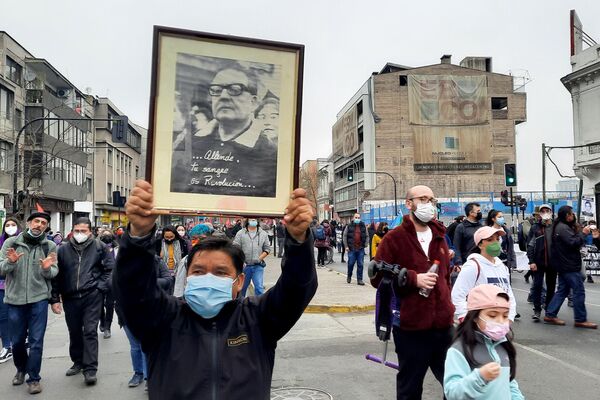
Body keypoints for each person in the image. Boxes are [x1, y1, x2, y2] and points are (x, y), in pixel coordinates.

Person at [113, 180, 317, 399]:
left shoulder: (257, 318)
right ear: (187, 276)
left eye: (220, 273)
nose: (208, 278)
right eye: (199, 272)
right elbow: (131, 287)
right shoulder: (164, 319)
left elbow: (297, 287)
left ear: (239, 282)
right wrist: (138, 236)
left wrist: (298, 240)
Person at [371, 185, 454, 400]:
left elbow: (445, 279)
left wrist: (450, 307)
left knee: (455, 385)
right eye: (423, 199)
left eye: (432, 200)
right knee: (410, 387)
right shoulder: (394, 238)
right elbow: (377, 278)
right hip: (411, 326)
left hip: (443, 326)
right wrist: (413, 279)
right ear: (409, 204)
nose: (429, 205)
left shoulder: (440, 237)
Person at [172, 63, 278, 197]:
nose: (223, 96)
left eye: (235, 89)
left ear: (254, 102)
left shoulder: (271, 156)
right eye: (216, 90)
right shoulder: (189, 144)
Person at [50, 217, 114, 385]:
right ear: (73, 230)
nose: (79, 234)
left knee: (90, 331)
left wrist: (100, 287)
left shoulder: (100, 247)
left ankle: (90, 369)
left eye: (83, 231)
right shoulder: (62, 250)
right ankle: (78, 361)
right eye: (77, 230)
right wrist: (55, 298)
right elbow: (57, 276)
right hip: (70, 297)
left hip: (92, 296)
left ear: (90, 231)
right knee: (75, 331)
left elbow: (110, 270)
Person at [0, 210, 58, 394]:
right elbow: (2, 269)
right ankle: (21, 369)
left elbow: (54, 272)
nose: (39, 225)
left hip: (38, 300)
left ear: (46, 227)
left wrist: (47, 269)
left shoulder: (49, 246)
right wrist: (11, 263)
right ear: (28, 223)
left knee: (36, 341)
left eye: (43, 223)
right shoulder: (12, 243)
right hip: (15, 300)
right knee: (17, 341)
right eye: (36, 221)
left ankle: (34, 378)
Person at [444, 284, 524, 400]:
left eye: (505, 316)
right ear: (475, 316)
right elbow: (452, 393)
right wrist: (480, 377)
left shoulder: (503, 345)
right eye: (492, 315)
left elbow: (509, 383)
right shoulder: (459, 350)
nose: (500, 321)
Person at [115, 255, 172, 390]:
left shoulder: (157, 261)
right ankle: (138, 373)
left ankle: (149, 377)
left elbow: (168, 280)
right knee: (135, 346)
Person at [543, 206, 597, 328]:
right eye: (571, 213)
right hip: (569, 265)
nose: (573, 215)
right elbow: (573, 243)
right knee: (578, 290)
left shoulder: (561, 226)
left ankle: (550, 314)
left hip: (564, 264)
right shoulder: (563, 228)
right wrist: (583, 234)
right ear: (567, 215)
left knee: (563, 290)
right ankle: (580, 319)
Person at [451, 226, 517, 323]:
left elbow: (509, 295)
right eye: (490, 240)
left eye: (497, 239)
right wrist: (469, 321)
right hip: (478, 328)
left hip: (501, 326)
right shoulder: (473, 266)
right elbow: (457, 297)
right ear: (480, 244)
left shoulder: (502, 267)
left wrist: (509, 318)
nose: (495, 242)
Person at [526, 204, 556, 321]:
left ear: (551, 212)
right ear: (539, 214)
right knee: (537, 286)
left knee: (551, 287)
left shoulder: (555, 226)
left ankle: (549, 309)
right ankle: (537, 309)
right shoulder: (535, 227)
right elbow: (530, 245)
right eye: (542, 211)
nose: (545, 213)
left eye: (547, 210)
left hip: (553, 263)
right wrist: (531, 261)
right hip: (538, 263)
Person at [0, 217, 21, 364]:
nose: (10, 227)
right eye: (7, 225)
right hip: (2, 285)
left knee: (17, 317)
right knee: (3, 317)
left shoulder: (23, 242)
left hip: (20, 285)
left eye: (13, 225)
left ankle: (18, 342)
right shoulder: (1, 242)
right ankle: (7, 346)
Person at [172, 223, 214, 298]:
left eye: (202, 238)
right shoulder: (186, 261)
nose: (198, 241)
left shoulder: (219, 259)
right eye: (194, 238)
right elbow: (179, 287)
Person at [233, 217, 271, 296]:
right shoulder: (241, 233)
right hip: (244, 266)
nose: (253, 220)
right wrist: (241, 260)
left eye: (255, 219)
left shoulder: (263, 234)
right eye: (251, 219)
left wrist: (259, 258)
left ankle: (259, 306)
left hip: (258, 266)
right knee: (241, 289)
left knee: (259, 288)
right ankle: (240, 305)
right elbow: (235, 247)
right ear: (247, 220)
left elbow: (267, 248)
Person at [343, 213, 369, 285]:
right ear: (353, 218)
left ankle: (359, 279)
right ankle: (349, 276)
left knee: (360, 264)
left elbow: (367, 236)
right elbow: (345, 236)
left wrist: (366, 244)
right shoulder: (349, 226)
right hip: (352, 248)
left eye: (358, 217)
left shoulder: (363, 226)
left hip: (360, 248)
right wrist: (346, 246)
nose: (357, 219)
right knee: (351, 263)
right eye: (356, 217)